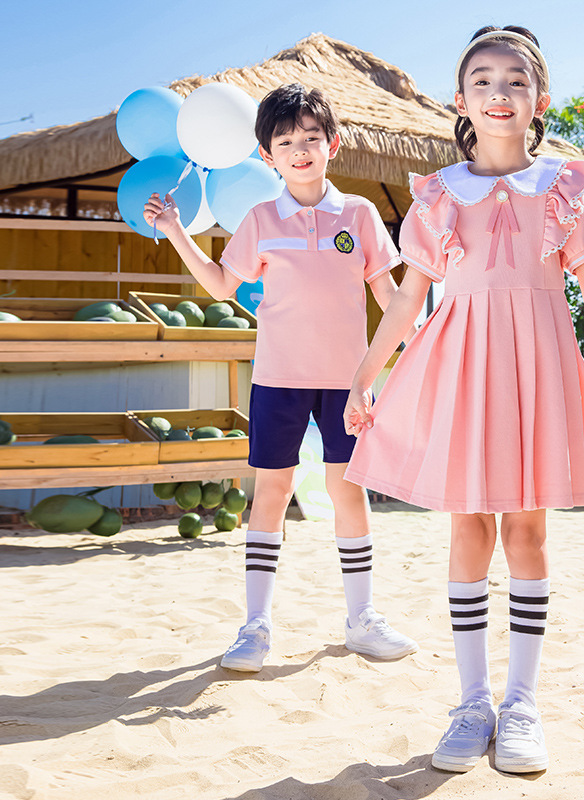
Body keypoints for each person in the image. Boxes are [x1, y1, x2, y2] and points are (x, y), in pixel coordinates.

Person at [343, 27, 584, 773]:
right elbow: (408, 298)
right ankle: (472, 702)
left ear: (541, 100)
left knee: (528, 533)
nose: (498, 93)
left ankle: (522, 704)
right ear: (460, 100)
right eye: (482, 80)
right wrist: (366, 373)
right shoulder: (439, 195)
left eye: (515, 80)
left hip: (538, 364)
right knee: (469, 527)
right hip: (462, 365)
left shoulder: (567, 186)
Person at [143, 83, 418, 672]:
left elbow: (391, 296)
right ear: (268, 155)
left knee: (349, 493)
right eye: (285, 142)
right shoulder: (261, 219)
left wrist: (412, 349)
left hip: (348, 384)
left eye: (311, 138)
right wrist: (176, 229)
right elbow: (221, 284)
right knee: (271, 493)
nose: (300, 150)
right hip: (276, 381)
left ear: (333, 144)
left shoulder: (360, 214)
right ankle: (256, 626)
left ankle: (362, 619)